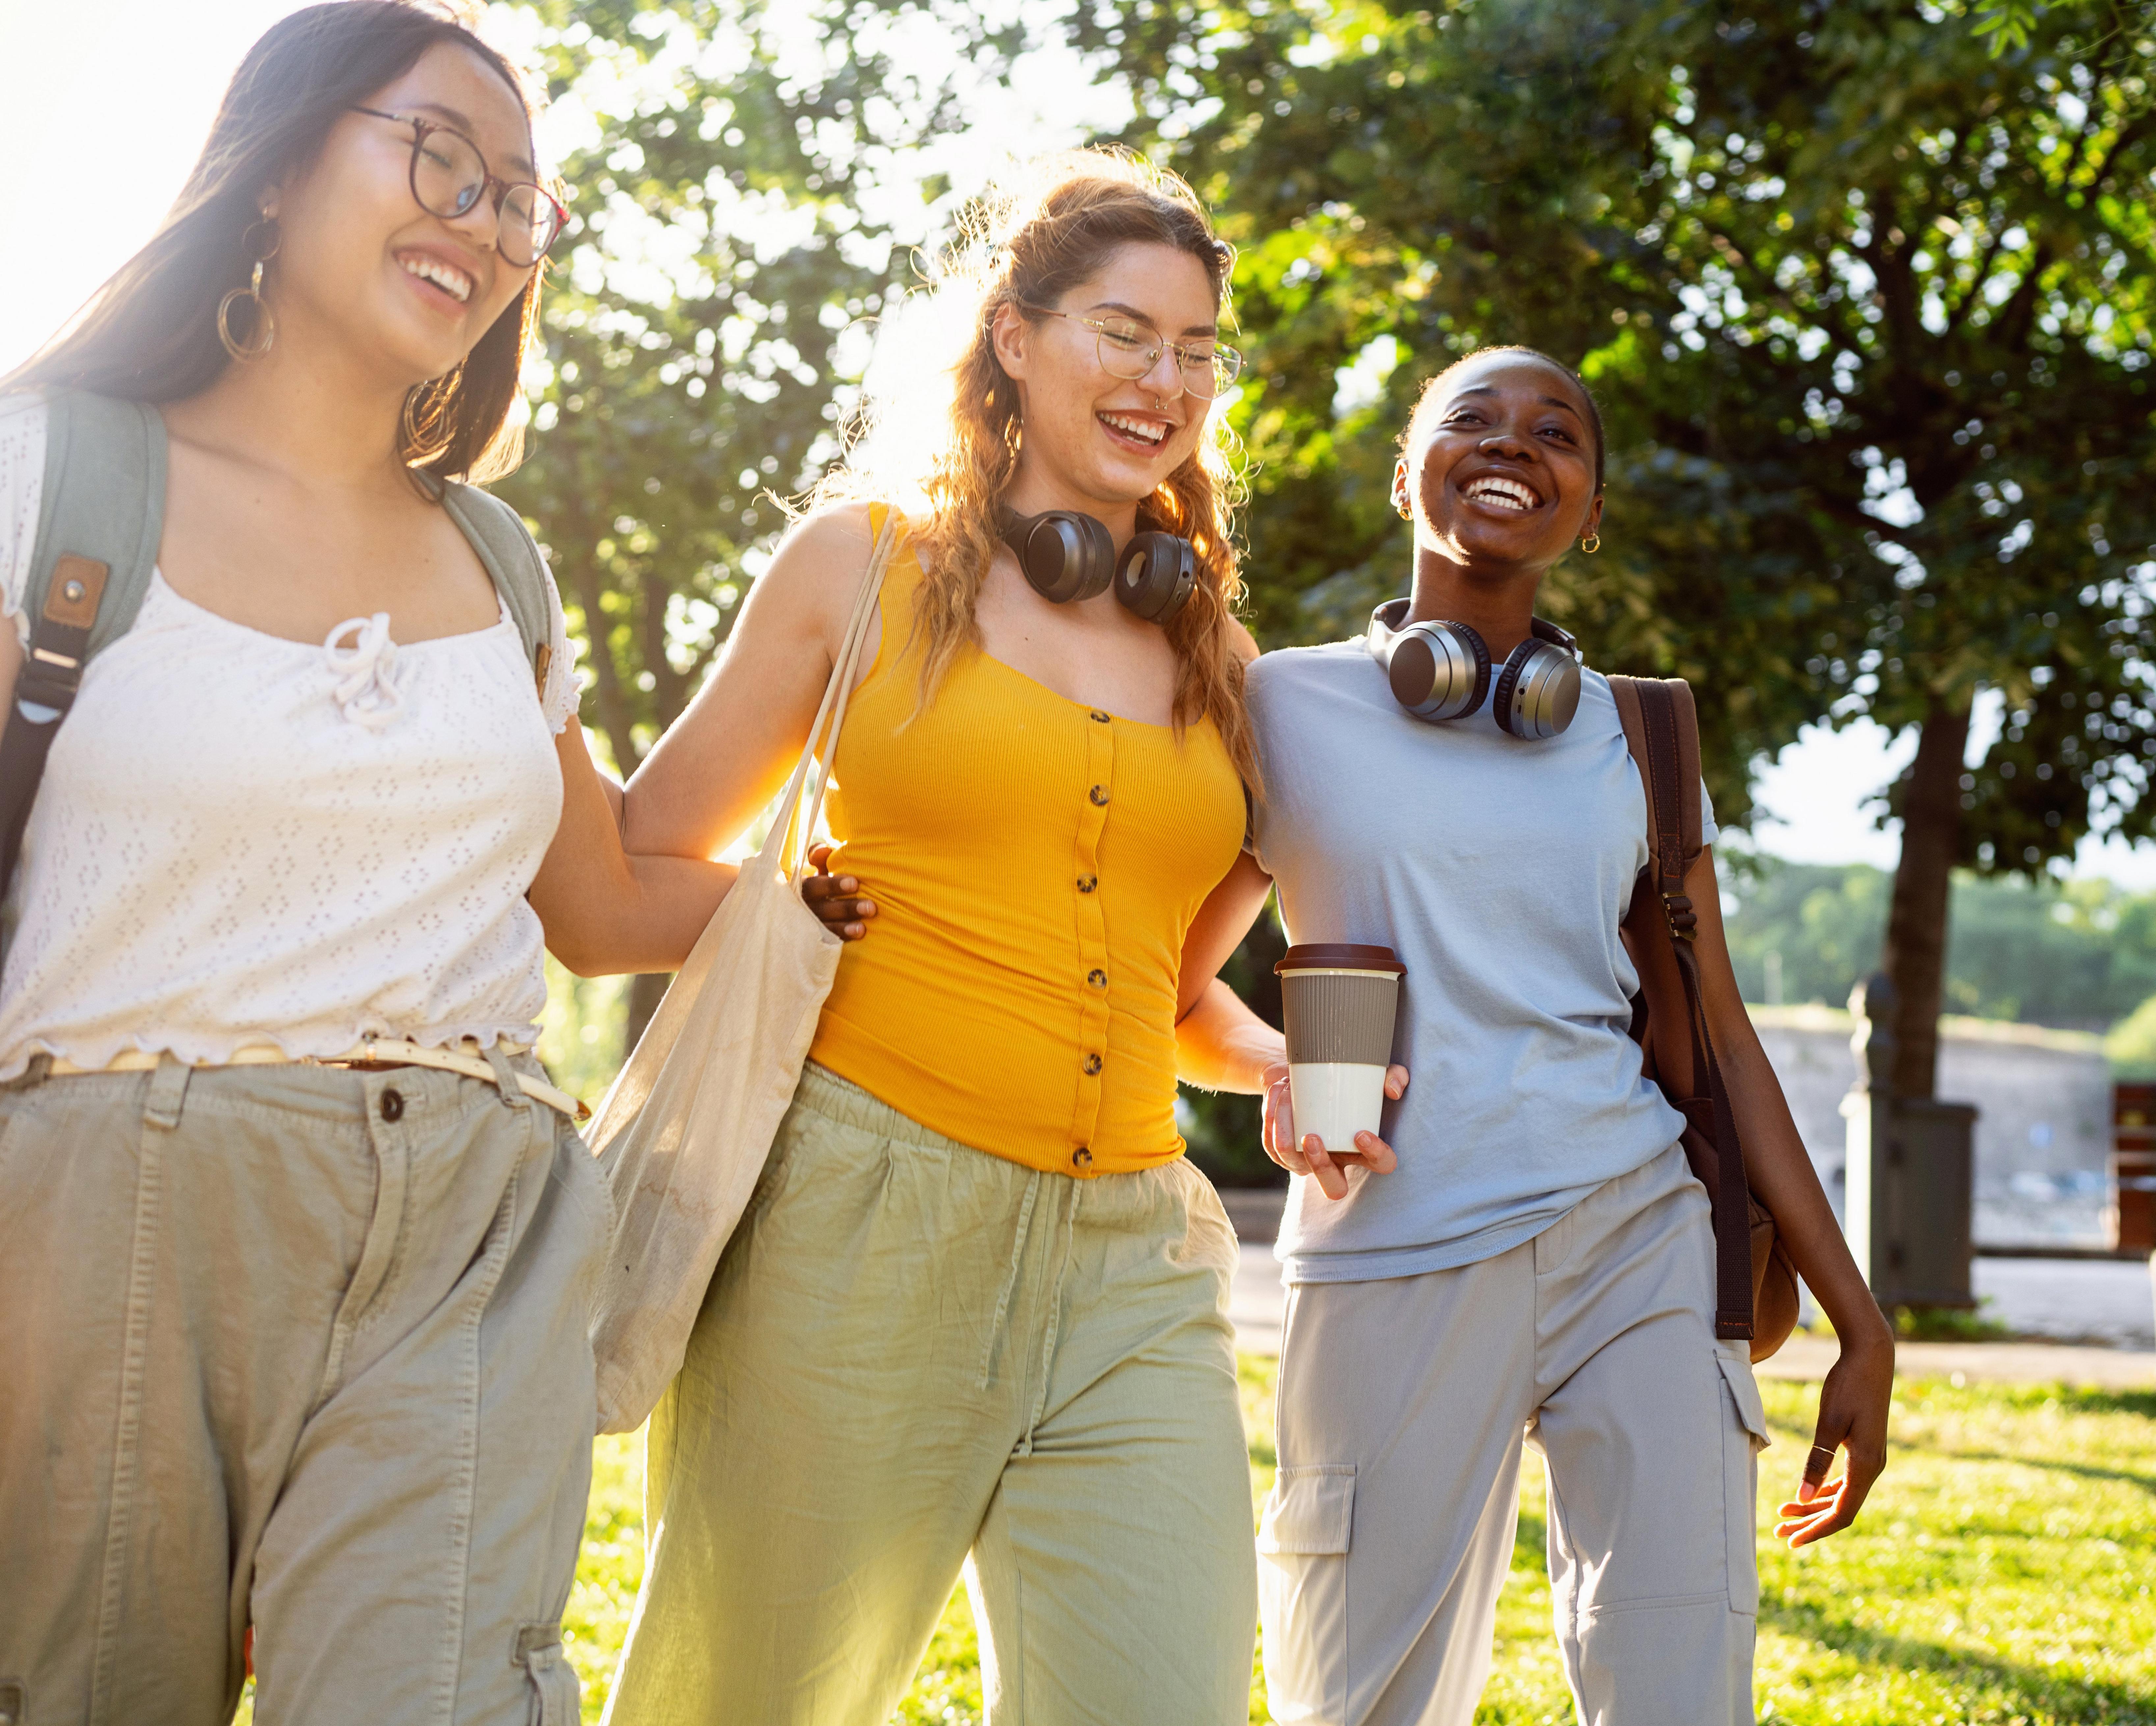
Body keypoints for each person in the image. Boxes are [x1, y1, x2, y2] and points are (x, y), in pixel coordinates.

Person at [0, 7, 856, 1721]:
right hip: (108, 1210)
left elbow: (599, 898)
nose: (481, 217)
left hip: (469, 1216)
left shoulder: (495, 557)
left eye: (520, 199)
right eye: (439, 156)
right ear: (278, 158)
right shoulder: (51, 473)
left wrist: (835, 900)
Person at [597, 148, 1284, 1726]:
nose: (1163, 380)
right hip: (854, 1222)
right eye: (1124, 332)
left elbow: (1185, 998)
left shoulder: (1214, 653)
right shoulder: (862, 570)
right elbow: (642, 853)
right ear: (1013, 337)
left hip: (1130, 1259)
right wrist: (779, 910)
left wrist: (1288, 1072)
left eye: (1195, 352)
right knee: (739, 1702)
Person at [1175, 346, 1896, 1725]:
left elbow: (1726, 1043)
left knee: (1681, 1685)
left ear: (1589, 510)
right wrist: (1277, 1066)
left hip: (1633, 1235)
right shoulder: (1277, 707)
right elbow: (1161, 984)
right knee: (1361, 1699)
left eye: (1555, 432)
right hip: (1390, 1248)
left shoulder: (1641, 739)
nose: (1514, 445)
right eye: (1473, 419)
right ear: (1406, 473)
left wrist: (1858, 1325)